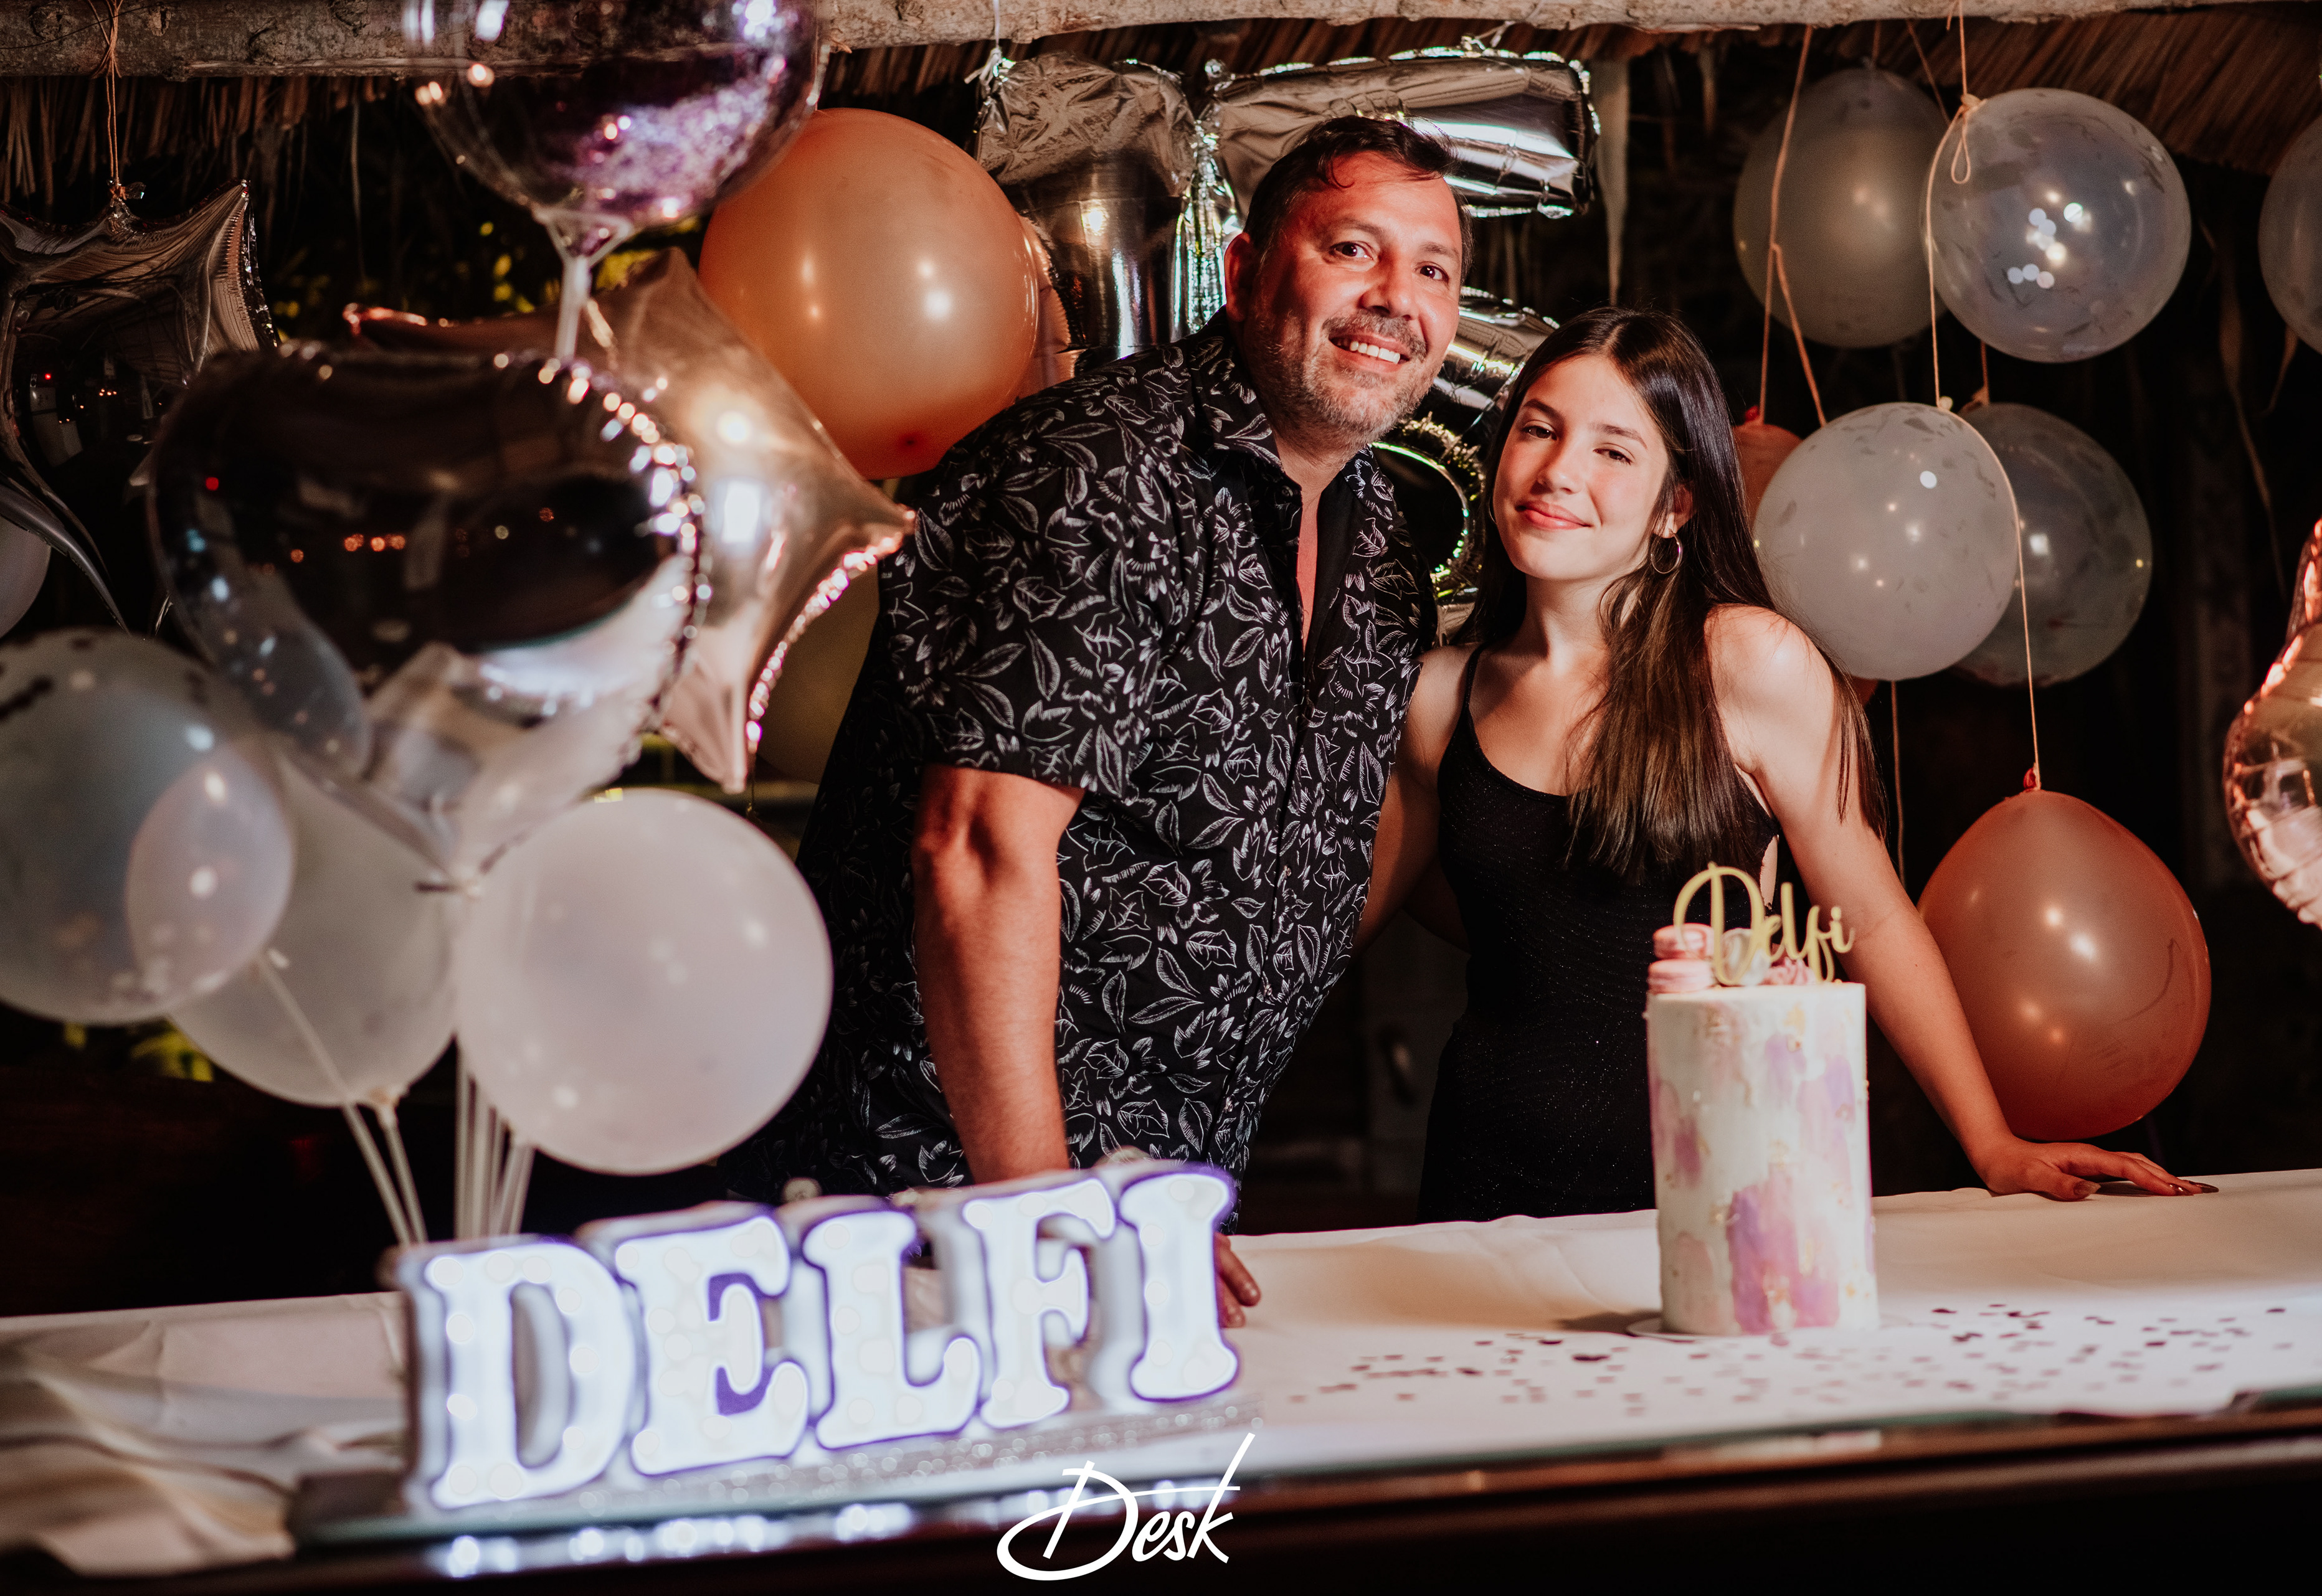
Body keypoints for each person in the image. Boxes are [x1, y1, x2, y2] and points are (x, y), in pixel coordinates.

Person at [724, 118, 1469, 1321]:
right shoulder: (1101, 469)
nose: (1397, 297)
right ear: (1244, 273)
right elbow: (977, 848)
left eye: (1433, 269)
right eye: (1352, 249)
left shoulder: (1383, 543)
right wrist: (1047, 1211)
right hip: (927, 1214)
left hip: (1147, 1214)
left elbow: (1312, 848)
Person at [1358, 306, 2205, 1221]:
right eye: (1538, 429)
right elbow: (1348, 923)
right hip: (1484, 1191)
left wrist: (1992, 1143)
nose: (1559, 470)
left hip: (1726, 1185)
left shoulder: (1747, 663)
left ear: (1675, 507)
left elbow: (1872, 918)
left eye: (1613, 451)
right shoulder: (1437, 700)